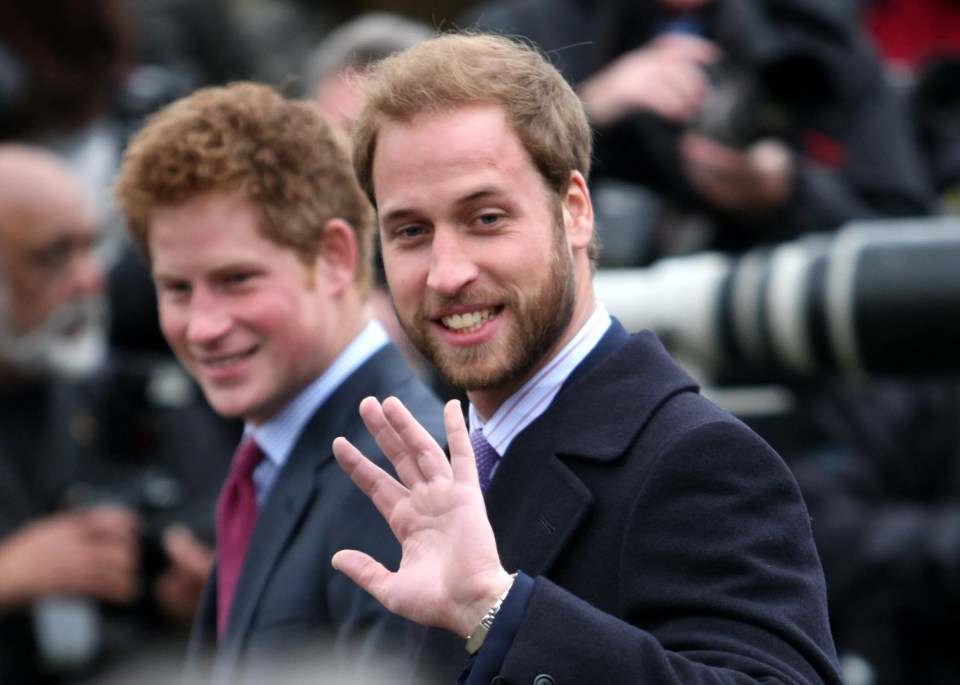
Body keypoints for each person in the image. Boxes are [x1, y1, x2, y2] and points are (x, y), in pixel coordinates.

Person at [328, 32, 842, 684]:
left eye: (485, 218)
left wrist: (498, 610)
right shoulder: (427, 474)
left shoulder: (699, 459)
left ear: (574, 211)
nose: (446, 272)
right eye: (410, 231)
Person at [112, 81, 446, 684]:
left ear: (337, 258)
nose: (203, 326)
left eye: (237, 279)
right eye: (177, 289)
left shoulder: (396, 475)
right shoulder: (272, 453)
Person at [459, 0, 936, 265]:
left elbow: (904, 230)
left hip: (790, 366)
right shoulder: (524, 31)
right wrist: (581, 114)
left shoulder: (811, 37)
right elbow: (455, 190)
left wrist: (784, 192)